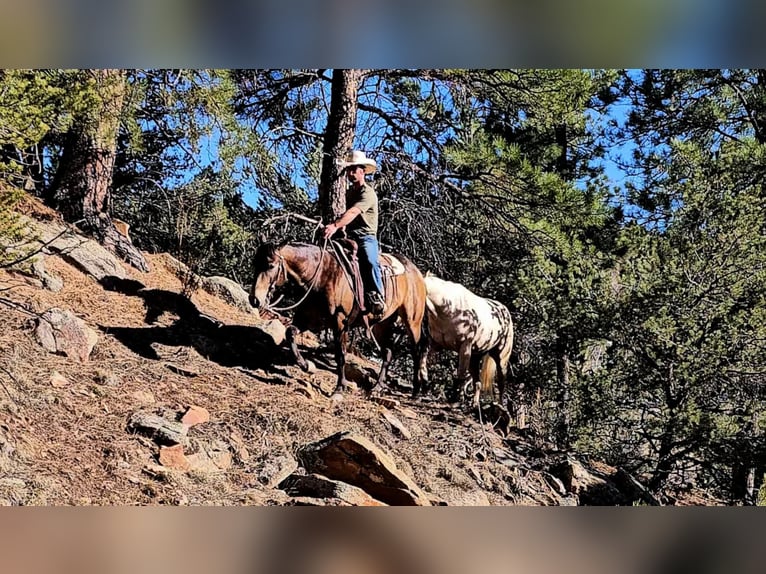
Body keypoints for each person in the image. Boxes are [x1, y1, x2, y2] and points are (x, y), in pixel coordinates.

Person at [323, 149, 386, 316]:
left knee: (370, 260)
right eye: (348, 170)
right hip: (351, 236)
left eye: (354, 169)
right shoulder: (350, 192)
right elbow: (348, 216)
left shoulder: (368, 193)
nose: (350, 173)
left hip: (366, 237)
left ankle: (378, 296)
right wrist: (340, 227)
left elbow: (352, 212)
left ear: (362, 171)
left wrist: (335, 225)